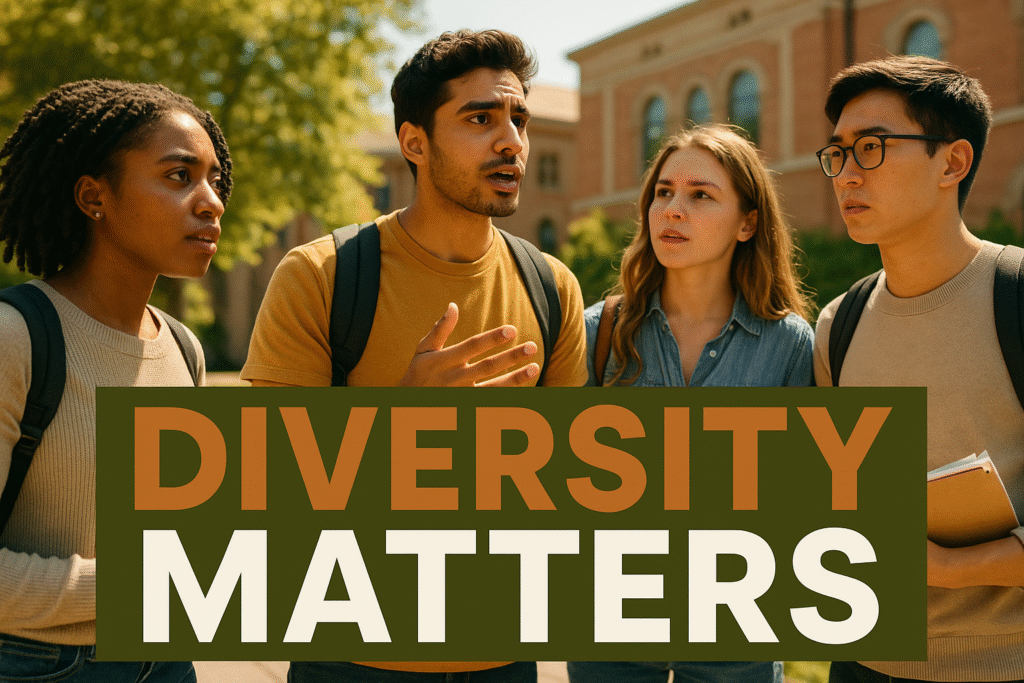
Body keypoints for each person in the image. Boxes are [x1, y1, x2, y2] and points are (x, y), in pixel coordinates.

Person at [241, 29, 587, 682]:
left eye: (519, 118)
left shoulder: (552, 286)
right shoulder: (323, 275)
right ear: (415, 143)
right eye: (480, 119)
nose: (511, 140)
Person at [0, 80, 231, 681]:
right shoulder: (16, 338)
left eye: (214, 180)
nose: (211, 202)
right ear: (93, 196)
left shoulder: (184, 349)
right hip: (39, 664)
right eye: (179, 176)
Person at [568, 123, 813, 683]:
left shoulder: (790, 344)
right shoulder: (597, 331)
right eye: (663, 192)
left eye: (701, 195)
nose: (672, 210)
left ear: (747, 222)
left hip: (737, 636)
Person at [812, 56, 1024, 682]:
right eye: (837, 153)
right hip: (859, 660)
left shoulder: (1014, 295)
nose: (845, 174)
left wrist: (953, 569)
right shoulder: (837, 325)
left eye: (872, 148)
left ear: (952, 163)